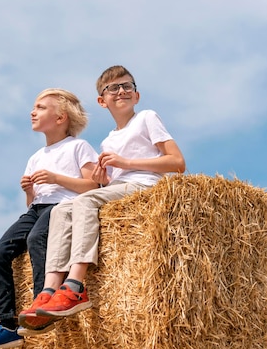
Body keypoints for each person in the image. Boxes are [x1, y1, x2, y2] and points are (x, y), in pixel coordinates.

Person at [19, 65, 186, 334]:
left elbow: (177, 163)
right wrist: (103, 177)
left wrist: (126, 162)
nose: (121, 91)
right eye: (113, 88)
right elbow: (109, 183)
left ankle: (75, 286)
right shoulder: (108, 141)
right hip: (119, 189)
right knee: (62, 209)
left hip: (143, 186)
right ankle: (49, 289)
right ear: (102, 100)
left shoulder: (146, 117)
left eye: (127, 86)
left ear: (137, 94)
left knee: (84, 202)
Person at [0, 88, 98, 349]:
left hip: (63, 207)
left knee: (37, 239)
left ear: (61, 117)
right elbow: (31, 204)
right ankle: (8, 324)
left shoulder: (78, 147)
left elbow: (94, 185)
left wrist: (57, 179)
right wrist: (29, 191)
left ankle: (43, 303)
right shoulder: (36, 157)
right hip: (36, 209)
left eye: (41, 107)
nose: (33, 111)